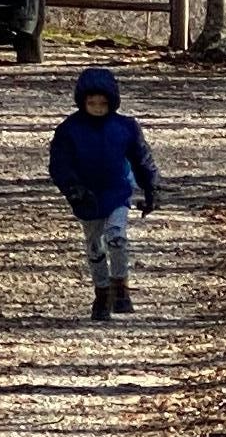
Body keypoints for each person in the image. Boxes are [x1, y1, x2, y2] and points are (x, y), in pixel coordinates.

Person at [47, 67, 161, 318]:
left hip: (117, 191)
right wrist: (73, 187)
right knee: (95, 246)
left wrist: (151, 186)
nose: (98, 107)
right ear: (82, 102)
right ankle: (101, 292)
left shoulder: (126, 127)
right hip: (86, 197)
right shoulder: (69, 130)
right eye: (92, 103)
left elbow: (142, 158)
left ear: (113, 102)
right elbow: (59, 164)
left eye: (103, 103)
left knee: (116, 237)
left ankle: (121, 287)